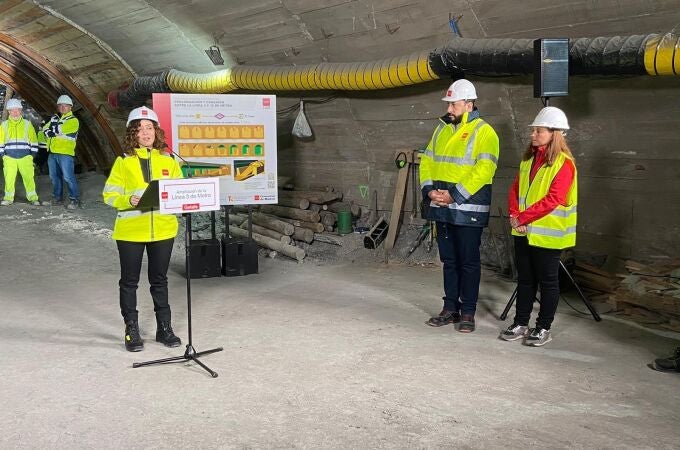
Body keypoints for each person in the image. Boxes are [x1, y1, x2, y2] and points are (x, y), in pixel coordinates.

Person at [421, 79, 500, 333]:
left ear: (469, 104)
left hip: (467, 211)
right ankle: (450, 308)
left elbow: (484, 171)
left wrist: (454, 195)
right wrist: (429, 190)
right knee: (450, 260)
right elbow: (427, 161)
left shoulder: (484, 132)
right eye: (449, 104)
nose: (450, 109)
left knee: (468, 261)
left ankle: (468, 312)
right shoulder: (441, 130)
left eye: (453, 104)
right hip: (442, 207)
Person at [102, 106, 183, 352]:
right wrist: (128, 199)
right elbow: (109, 194)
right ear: (133, 134)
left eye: (149, 128)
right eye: (139, 129)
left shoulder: (169, 160)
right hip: (130, 231)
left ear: (156, 131)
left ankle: (164, 328)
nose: (145, 133)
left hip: (163, 229)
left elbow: (178, 191)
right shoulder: (123, 162)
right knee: (129, 281)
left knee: (159, 280)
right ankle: (131, 329)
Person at [500, 106, 577, 346]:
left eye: (538, 131)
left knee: (548, 282)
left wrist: (522, 218)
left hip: (546, 235)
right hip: (523, 231)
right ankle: (521, 323)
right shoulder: (528, 160)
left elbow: (553, 199)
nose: (533, 134)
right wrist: (515, 215)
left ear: (555, 134)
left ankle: (543, 327)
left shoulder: (565, 164)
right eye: (533, 130)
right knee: (525, 280)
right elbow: (515, 189)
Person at [41, 94, 80, 209]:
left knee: (68, 177)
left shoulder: (73, 121)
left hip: (65, 153)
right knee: (54, 177)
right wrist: (51, 129)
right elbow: (44, 129)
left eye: (65, 106)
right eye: (60, 106)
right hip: (52, 153)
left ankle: (75, 200)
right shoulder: (56, 119)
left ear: (70, 107)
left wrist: (51, 127)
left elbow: (57, 130)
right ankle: (57, 199)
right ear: (58, 107)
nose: (62, 108)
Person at [0, 98, 41, 206]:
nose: (15, 112)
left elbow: (34, 141)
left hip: (25, 157)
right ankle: (8, 198)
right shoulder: (4, 125)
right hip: (9, 157)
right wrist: (3, 155)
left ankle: (33, 198)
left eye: (17, 110)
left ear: (20, 110)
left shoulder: (27, 124)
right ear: (8, 111)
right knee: (9, 179)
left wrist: (32, 155)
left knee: (29, 178)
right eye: (12, 110)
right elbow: (0, 142)